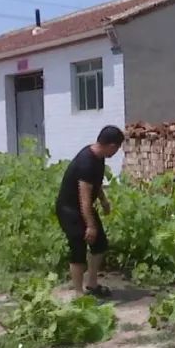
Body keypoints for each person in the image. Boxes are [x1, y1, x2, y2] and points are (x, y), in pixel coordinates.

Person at [55, 126, 125, 297]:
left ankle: (92, 285)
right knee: (78, 247)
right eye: (117, 148)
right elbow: (84, 198)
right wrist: (90, 225)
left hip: (82, 207)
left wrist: (103, 200)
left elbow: (96, 184)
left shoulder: (98, 157)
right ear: (111, 145)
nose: (117, 152)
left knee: (100, 244)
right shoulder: (86, 162)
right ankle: (79, 294)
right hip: (69, 209)